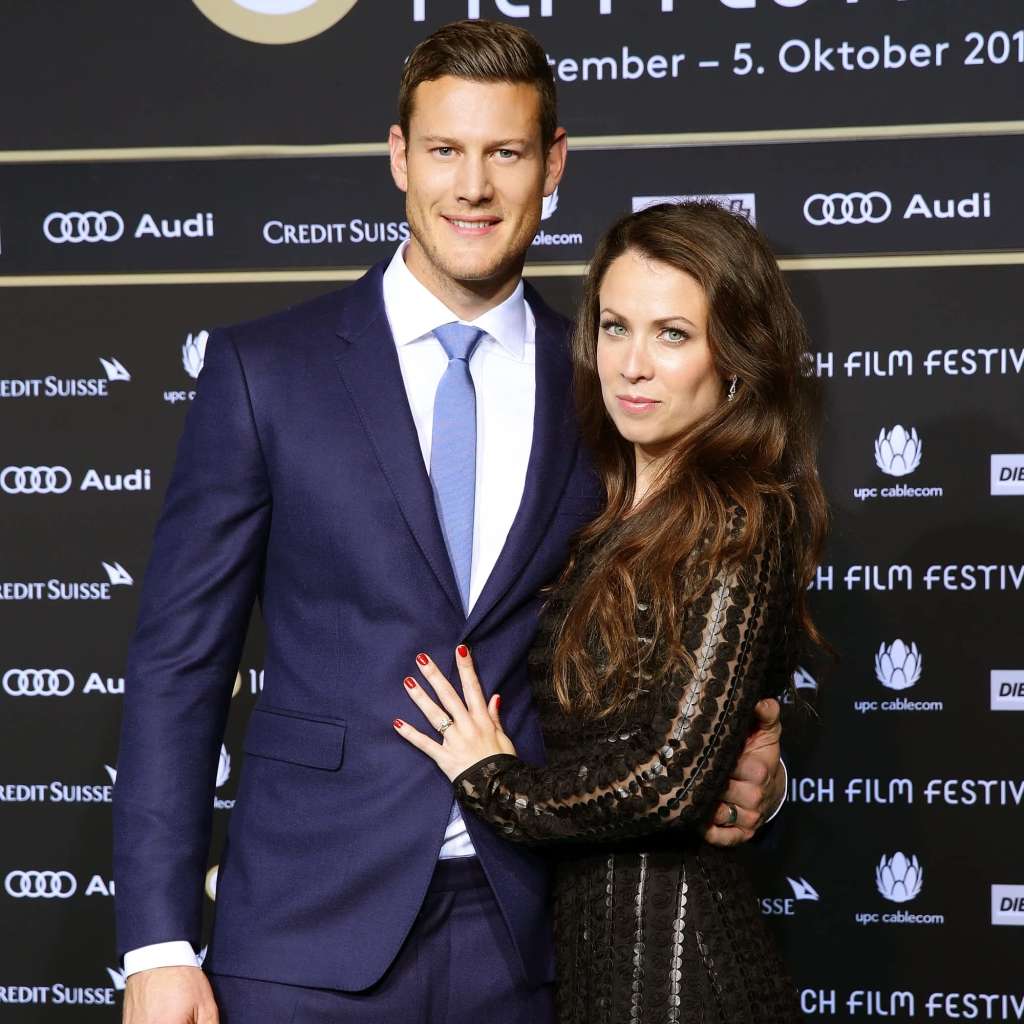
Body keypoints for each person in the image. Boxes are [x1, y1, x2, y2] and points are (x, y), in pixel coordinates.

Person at [112, 21, 788, 1024]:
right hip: (303, 929)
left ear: (553, 164)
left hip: (535, 934)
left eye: (505, 152)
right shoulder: (268, 372)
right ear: (399, 157)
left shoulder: (607, 383)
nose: (473, 187)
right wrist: (158, 946)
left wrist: (753, 771)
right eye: (445, 150)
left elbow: (688, 610)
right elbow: (179, 663)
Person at [394, 199, 828, 1024]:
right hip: (594, 967)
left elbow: (666, 785)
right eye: (616, 327)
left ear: (733, 359)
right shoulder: (607, 504)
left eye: (673, 335)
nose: (632, 365)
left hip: (683, 978)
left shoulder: (739, 517)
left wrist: (493, 782)